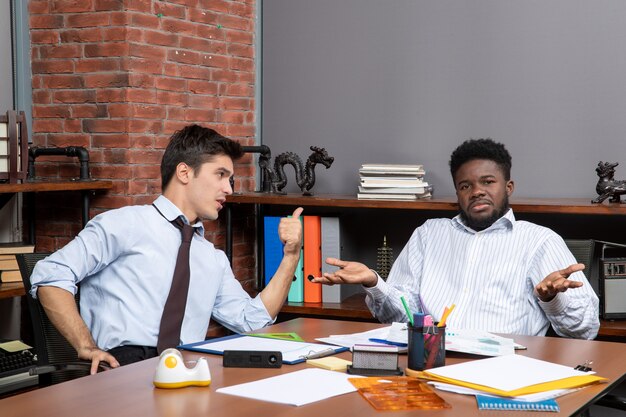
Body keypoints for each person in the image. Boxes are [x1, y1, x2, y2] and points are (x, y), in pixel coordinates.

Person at [30, 124, 303, 373]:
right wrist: (85, 346)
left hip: (184, 369)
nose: (228, 189)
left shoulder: (212, 258)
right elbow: (50, 275)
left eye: (229, 179)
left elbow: (252, 322)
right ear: (184, 172)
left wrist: (291, 256)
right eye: (221, 175)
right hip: (122, 368)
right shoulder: (124, 224)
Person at [313, 138, 599, 339]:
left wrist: (551, 299)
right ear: (458, 192)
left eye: (488, 182)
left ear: (508, 186)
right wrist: (373, 283)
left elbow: (585, 329)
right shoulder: (429, 234)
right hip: (432, 363)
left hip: (506, 370)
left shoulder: (540, 241)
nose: (477, 191)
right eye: (466, 185)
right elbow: (399, 317)